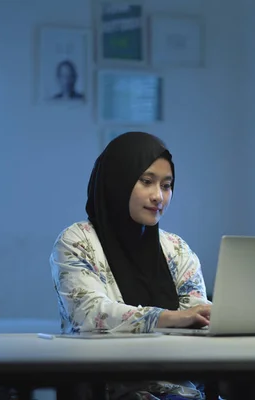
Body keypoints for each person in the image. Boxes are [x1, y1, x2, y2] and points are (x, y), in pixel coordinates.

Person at [49, 131, 213, 400]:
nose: (158, 196)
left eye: (167, 185)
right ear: (118, 182)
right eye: (147, 182)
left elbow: (196, 314)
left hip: (181, 389)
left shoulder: (176, 249)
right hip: (107, 389)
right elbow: (91, 316)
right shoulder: (77, 241)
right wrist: (167, 318)